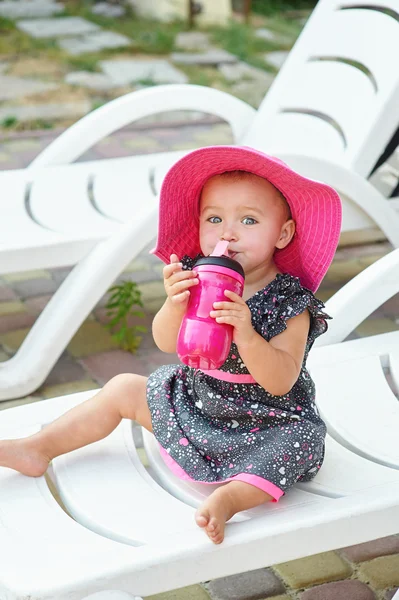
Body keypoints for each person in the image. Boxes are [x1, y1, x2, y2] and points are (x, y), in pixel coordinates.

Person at [0, 146, 342, 545]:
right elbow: (167, 343)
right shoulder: (199, 277)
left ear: (282, 233)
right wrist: (175, 304)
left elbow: (281, 380)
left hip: (266, 420)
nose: (227, 233)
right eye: (214, 219)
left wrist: (246, 333)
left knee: (300, 443)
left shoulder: (288, 302)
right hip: (199, 400)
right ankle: (37, 448)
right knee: (124, 388)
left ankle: (231, 499)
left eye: (249, 220)